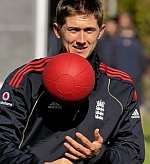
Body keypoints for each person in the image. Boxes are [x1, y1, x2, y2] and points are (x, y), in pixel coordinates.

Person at [0, 0, 145, 164]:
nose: (82, 40)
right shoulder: (28, 78)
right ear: (57, 30)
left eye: (89, 30)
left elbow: (134, 153)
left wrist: (101, 154)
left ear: (101, 31)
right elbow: (3, 143)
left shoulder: (121, 86)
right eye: (73, 30)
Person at [113, 12, 146, 105]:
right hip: (119, 77)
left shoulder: (136, 38)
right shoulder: (114, 39)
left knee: (136, 104)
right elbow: (111, 57)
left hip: (135, 77)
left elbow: (142, 57)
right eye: (122, 19)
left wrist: (141, 71)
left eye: (126, 19)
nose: (124, 21)